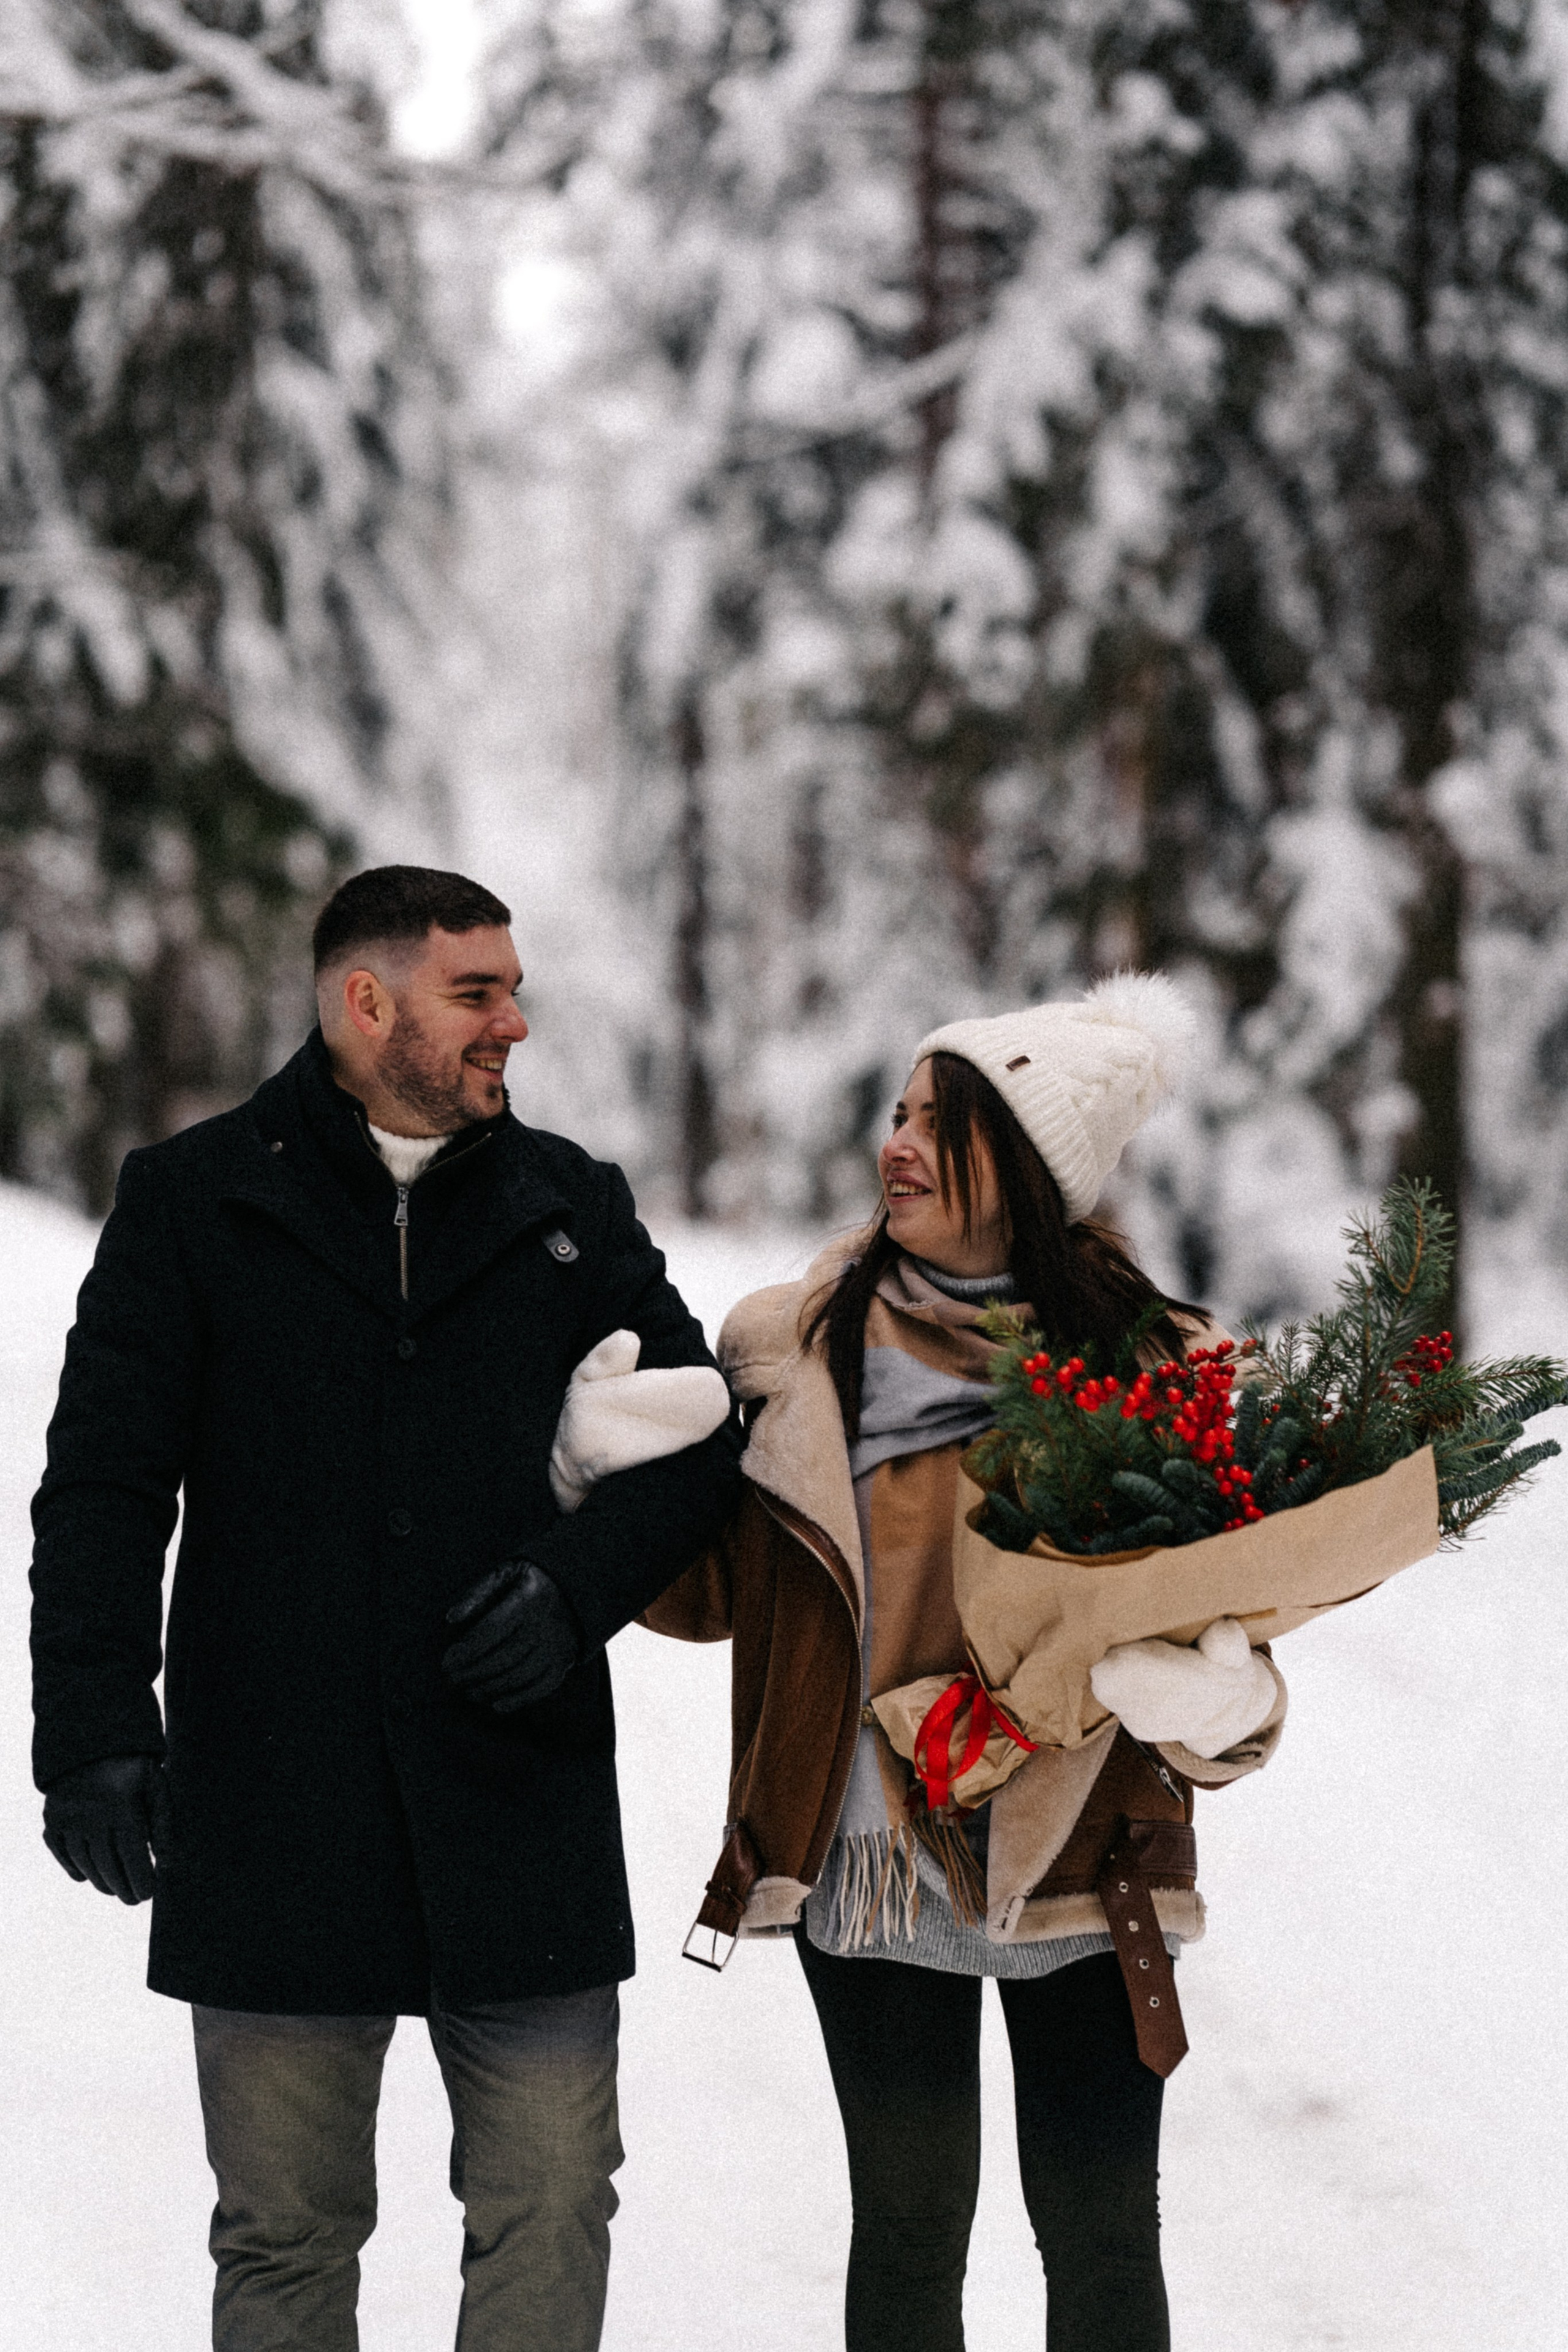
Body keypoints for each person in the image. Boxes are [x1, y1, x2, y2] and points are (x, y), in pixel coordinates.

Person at [30, 864, 742, 2352]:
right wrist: (94, 1733)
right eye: (477, 993)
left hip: (515, 1801)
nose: (513, 1024)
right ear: (369, 1003)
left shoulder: (570, 1206)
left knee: (550, 2201)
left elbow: (698, 1442)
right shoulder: (192, 1201)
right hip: (275, 1808)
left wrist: (574, 1589)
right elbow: (102, 1488)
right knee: (283, 2237)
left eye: (512, 989)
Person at [646, 974, 1287, 2352]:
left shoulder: (1153, 1370)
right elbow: (716, 1598)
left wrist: (1222, 1709)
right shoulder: (793, 1351)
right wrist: (605, 1482)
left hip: (1087, 1850)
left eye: (944, 1125)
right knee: (912, 2223)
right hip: (872, 1849)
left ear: (1033, 1171)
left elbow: (1228, 1632)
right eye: (896, 1113)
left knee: (1100, 2223)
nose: (898, 1146)